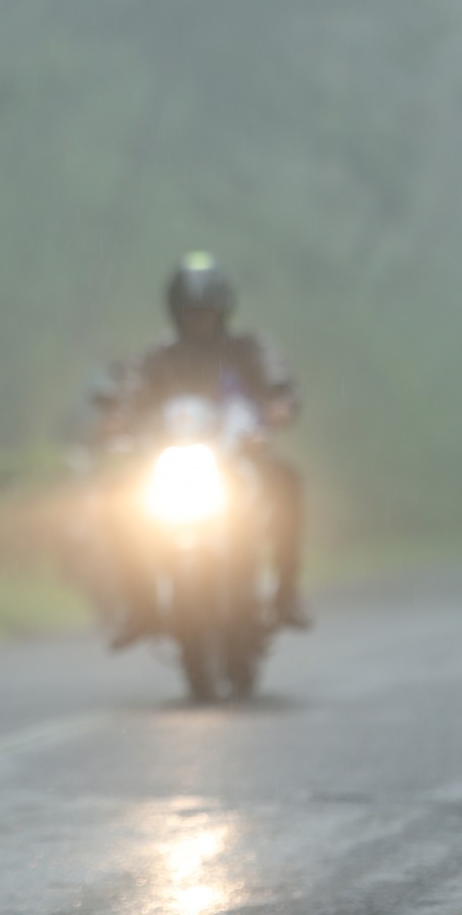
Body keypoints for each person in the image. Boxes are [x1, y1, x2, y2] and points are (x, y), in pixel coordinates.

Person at [106, 250, 310, 649]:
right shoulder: (159, 357)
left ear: (223, 311)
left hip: (239, 455)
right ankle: (141, 605)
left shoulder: (247, 348)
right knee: (117, 502)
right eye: (190, 312)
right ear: (176, 313)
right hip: (173, 458)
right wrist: (118, 419)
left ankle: (286, 595)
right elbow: (133, 390)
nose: (199, 320)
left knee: (288, 483)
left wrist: (279, 401)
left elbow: (275, 373)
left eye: (206, 312)